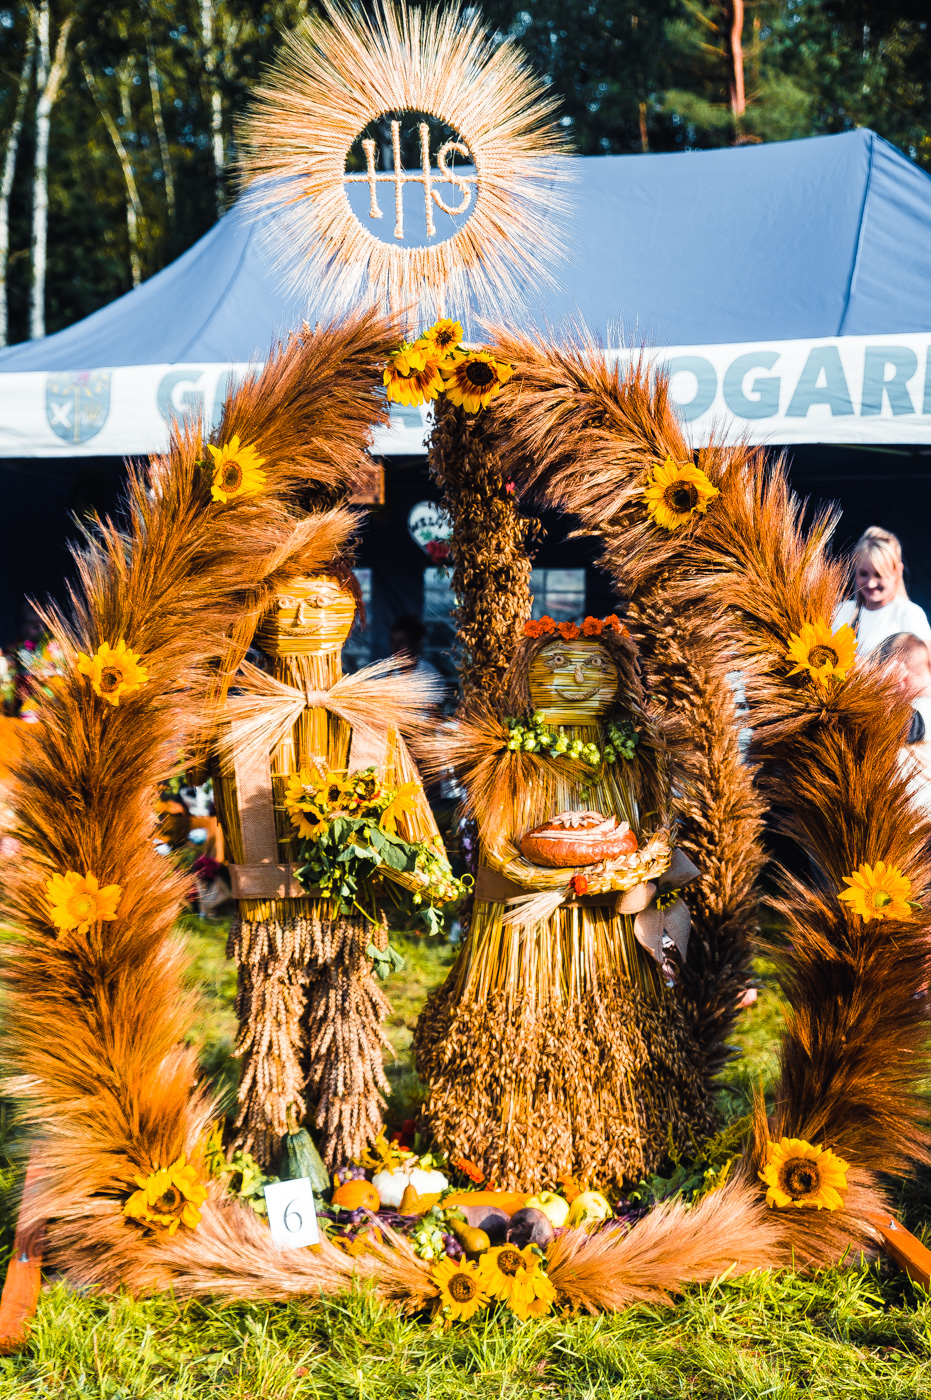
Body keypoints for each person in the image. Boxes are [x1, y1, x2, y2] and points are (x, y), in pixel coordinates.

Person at [835, 527, 931, 656]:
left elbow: (923, 671)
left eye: (879, 575)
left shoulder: (910, 614)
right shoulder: (840, 611)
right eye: (864, 574)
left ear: (898, 571)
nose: (871, 583)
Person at [876, 632, 931, 819]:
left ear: (901, 676)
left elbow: (895, 727)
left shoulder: (925, 707)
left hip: (923, 828)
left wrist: (883, 688)